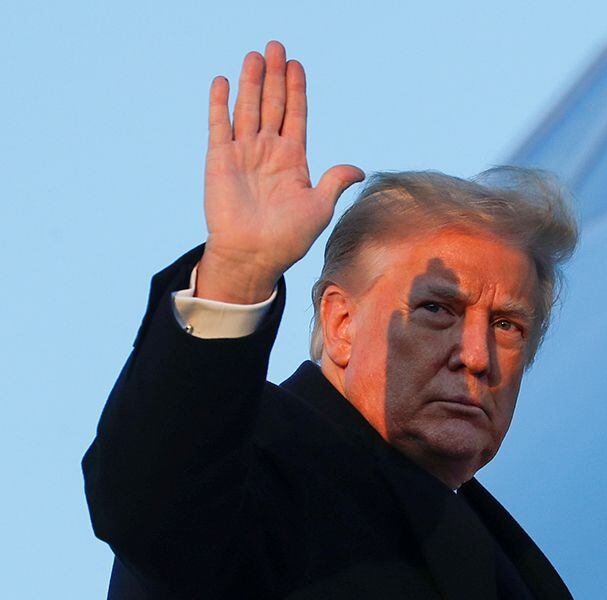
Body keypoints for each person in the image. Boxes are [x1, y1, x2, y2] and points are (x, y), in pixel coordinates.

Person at [83, 40, 578, 599]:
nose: (477, 355)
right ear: (341, 323)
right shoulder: (254, 460)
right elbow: (149, 505)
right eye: (438, 310)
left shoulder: (506, 562)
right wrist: (239, 271)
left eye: (507, 325)